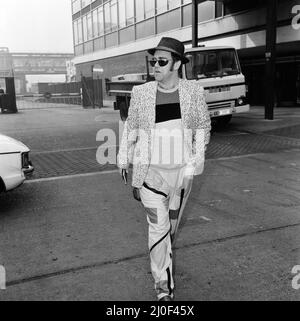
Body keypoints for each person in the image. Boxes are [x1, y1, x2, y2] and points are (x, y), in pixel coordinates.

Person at [117, 37, 211, 301]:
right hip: (151, 178)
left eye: (162, 61)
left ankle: (164, 263)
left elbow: (203, 128)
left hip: (181, 178)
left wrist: (196, 158)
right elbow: (131, 130)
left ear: (178, 64)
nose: (155, 66)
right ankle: (163, 289)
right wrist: (124, 160)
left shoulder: (193, 93)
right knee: (158, 232)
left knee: (169, 230)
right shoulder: (142, 93)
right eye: (153, 61)